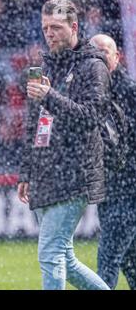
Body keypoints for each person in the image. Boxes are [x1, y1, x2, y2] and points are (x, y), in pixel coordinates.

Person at [17, 0, 110, 290]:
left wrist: (49, 96)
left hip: (74, 174)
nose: (49, 33)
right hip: (46, 173)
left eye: (56, 27)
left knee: (50, 253)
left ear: (74, 27)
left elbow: (91, 117)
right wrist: (26, 171)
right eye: (45, 28)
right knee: (65, 259)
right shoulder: (46, 66)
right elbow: (34, 123)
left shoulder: (93, 67)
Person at [90, 34, 136, 290]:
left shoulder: (128, 92)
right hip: (110, 192)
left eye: (104, 51)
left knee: (106, 264)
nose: (99, 55)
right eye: (94, 51)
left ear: (116, 57)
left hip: (126, 192)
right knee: (130, 263)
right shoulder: (93, 90)